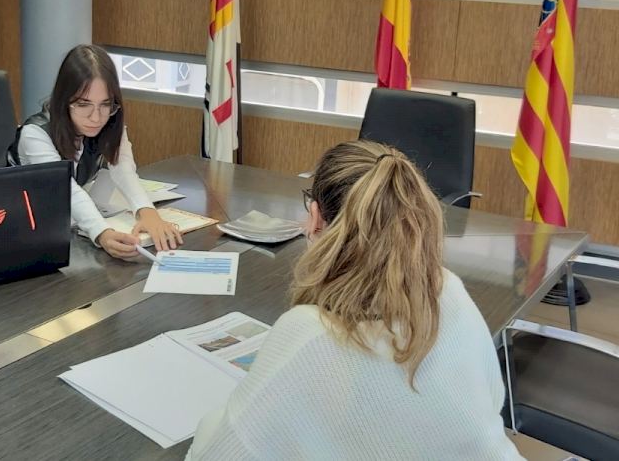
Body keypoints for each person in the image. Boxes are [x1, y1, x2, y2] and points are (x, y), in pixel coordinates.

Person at [187, 140, 524, 460]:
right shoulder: (446, 288)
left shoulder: (309, 333)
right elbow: (492, 399)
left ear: (316, 219)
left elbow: (213, 454)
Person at [9, 44, 180, 260]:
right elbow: (66, 189)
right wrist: (102, 233)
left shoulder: (110, 122)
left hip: (68, 224)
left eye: (105, 105)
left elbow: (123, 169)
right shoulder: (35, 133)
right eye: (84, 104)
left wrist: (147, 212)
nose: (96, 117)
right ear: (64, 99)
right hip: (26, 227)